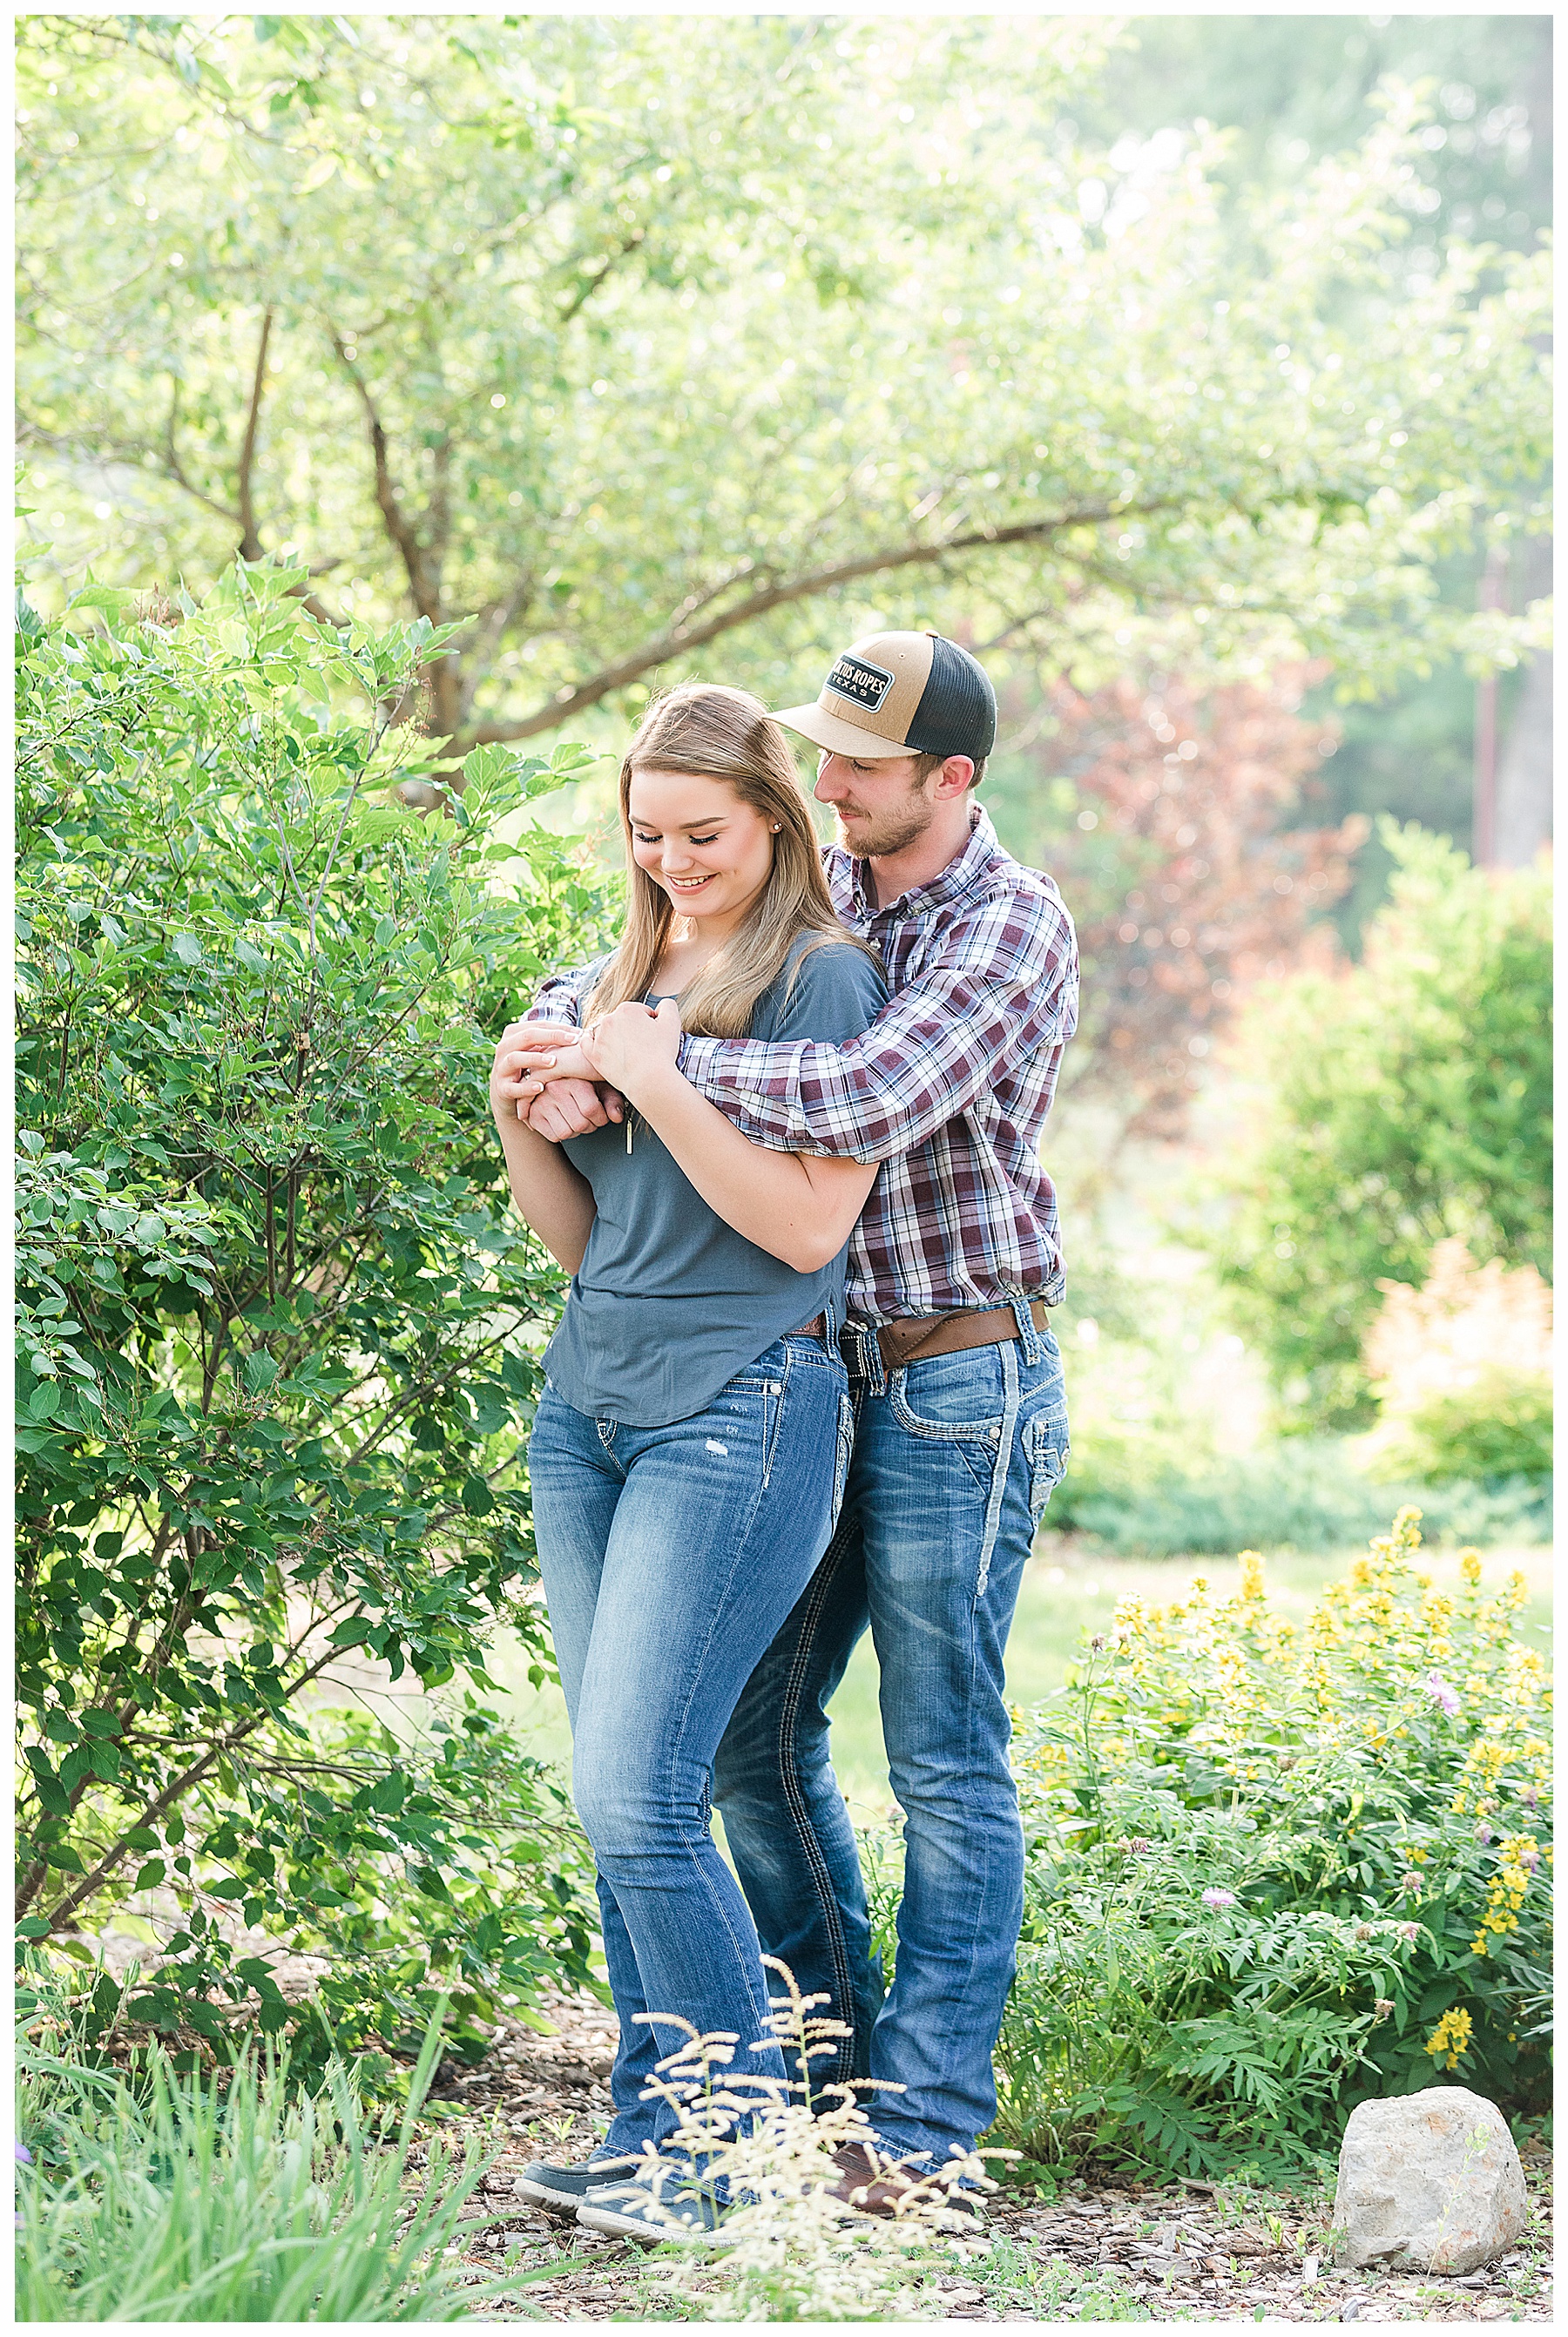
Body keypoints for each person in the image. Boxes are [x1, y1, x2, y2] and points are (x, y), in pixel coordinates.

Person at [504, 629, 1078, 2222]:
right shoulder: (815, 902)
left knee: (947, 1760)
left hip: (955, 1371)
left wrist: (648, 1056)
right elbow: (674, 979)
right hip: (809, 1366)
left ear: (950, 779)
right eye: (819, 760)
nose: (830, 790)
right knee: (744, 1754)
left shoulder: (1002, 927)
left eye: (865, 771)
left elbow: (859, 1103)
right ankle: (795, 2093)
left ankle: (922, 2131)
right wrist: (574, 1065)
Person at [490, 682, 887, 2242]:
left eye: (703, 835)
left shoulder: (821, 984)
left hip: (744, 1409)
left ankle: (731, 2163)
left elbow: (804, 1229)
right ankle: (651, 2132)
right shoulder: (602, 979)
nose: (671, 865)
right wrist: (524, 1111)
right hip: (587, 1412)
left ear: (776, 819)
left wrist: (655, 1080)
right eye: (647, 836)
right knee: (613, 1797)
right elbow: (587, 1241)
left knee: (649, 1792)